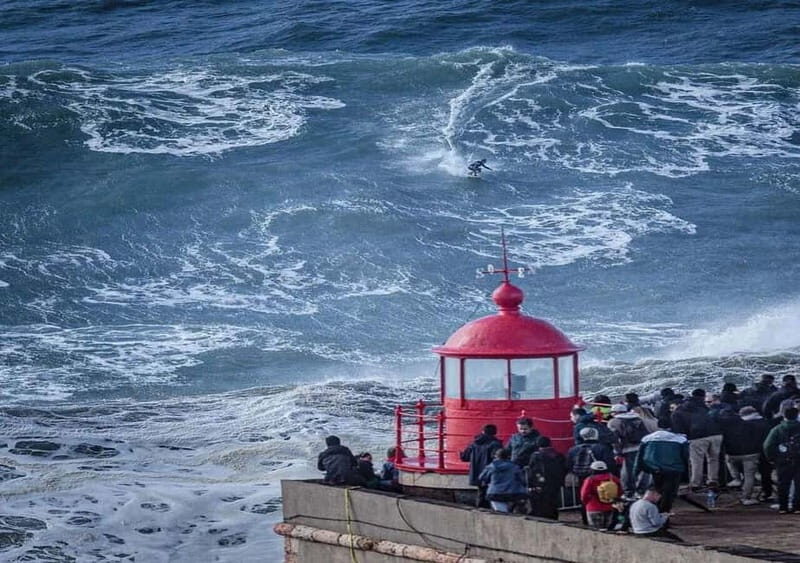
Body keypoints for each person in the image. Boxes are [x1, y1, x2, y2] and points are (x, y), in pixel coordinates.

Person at [670, 388, 723, 491]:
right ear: (703, 397)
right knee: (713, 458)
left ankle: (696, 483)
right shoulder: (706, 406)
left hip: (697, 436)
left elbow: (677, 424)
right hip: (716, 434)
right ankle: (713, 480)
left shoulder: (682, 408)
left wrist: (685, 436)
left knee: (696, 460)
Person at [721, 406, 770, 505]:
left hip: (732, 454)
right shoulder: (751, 425)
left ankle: (736, 478)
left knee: (729, 460)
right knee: (749, 476)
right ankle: (746, 497)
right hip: (750, 454)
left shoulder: (724, 426)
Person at [634, 429, 689, 513]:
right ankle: (663, 514)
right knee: (669, 494)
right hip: (674, 469)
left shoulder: (647, 439)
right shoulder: (680, 440)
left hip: (653, 469)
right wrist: (686, 474)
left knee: (656, 492)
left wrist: (636, 472)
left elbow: (639, 457)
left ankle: (654, 513)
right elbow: (685, 456)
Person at [607, 403, 650, 499]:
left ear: (615, 412)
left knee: (627, 471)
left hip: (627, 449)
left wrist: (617, 452)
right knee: (643, 469)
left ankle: (629, 492)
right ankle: (641, 490)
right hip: (642, 447)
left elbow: (614, 439)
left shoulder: (614, 422)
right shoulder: (638, 419)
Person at [763, 406, 800, 514]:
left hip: (783, 460)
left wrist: (772, 458)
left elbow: (767, 445)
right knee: (799, 484)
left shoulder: (777, 429)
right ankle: (797, 506)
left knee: (783, 483)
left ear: (784, 415)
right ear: (797, 415)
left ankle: (783, 507)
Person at [460, 424, 503, 507]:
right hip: (489, 472)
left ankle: (480, 509)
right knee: (488, 493)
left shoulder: (474, 443)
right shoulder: (495, 444)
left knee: (481, 492)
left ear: (483, 431)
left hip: (476, 472)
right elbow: (497, 458)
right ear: (495, 432)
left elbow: (465, 457)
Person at [527, 436, 567, 520]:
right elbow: (564, 468)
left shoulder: (536, 456)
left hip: (540, 483)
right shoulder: (558, 455)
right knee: (553, 502)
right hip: (555, 483)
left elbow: (532, 471)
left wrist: (531, 484)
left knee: (540, 504)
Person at [478, 448, 527, 513]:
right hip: (512, 494)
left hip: (495, 493)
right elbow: (523, 480)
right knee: (511, 512)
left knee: (501, 513)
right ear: (509, 457)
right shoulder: (515, 467)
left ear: (496, 456)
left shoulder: (491, 466)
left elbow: (481, 477)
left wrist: (488, 482)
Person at [579, 460, 621, 530]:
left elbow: (584, 494)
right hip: (610, 507)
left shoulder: (590, 480)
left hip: (593, 507)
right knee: (609, 530)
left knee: (596, 531)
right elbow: (620, 492)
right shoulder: (613, 478)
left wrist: (586, 503)